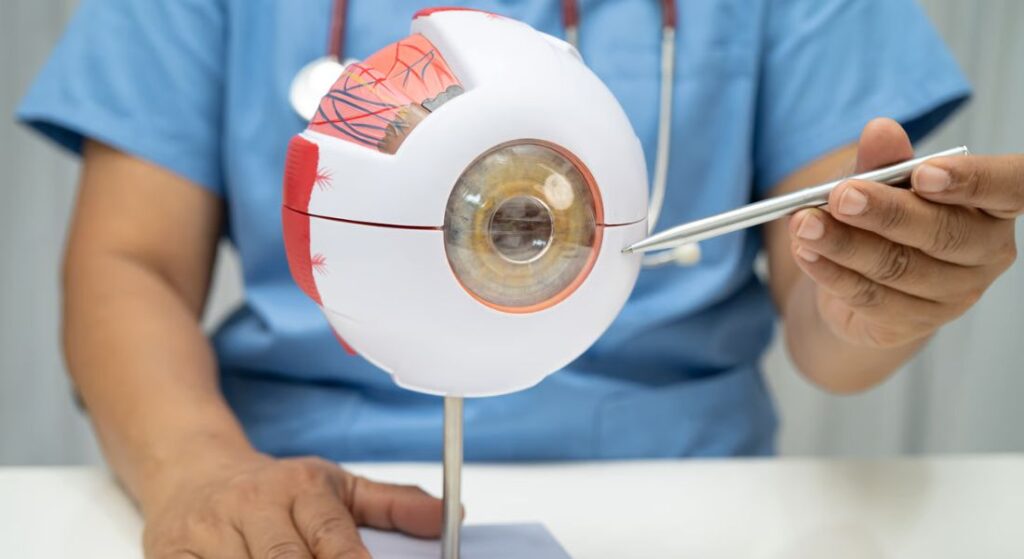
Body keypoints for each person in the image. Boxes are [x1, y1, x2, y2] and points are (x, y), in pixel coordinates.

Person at [17, 0, 1022, 557]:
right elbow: (130, 263)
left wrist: (878, 288)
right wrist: (198, 471)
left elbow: (825, 304)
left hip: (679, 499)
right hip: (301, 498)